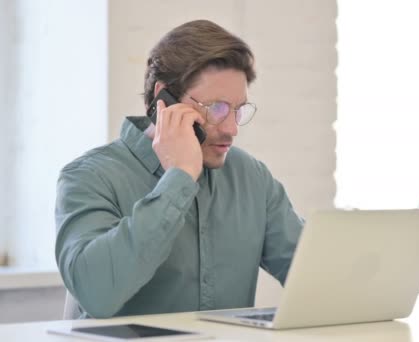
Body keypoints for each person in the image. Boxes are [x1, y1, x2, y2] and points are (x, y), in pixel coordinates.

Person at [54, 19, 304, 319]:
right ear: (164, 98)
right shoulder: (89, 177)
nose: (232, 129)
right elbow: (97, 293)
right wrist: (180, 177)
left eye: (238, 110)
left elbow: (314, 277)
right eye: (217, 109)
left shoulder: (251, 177)